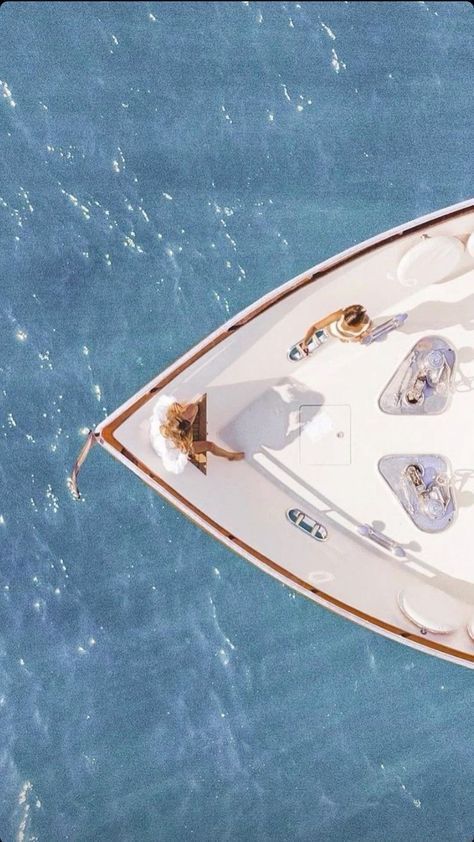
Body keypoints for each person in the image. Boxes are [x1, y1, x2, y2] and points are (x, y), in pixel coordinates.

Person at [150, 395, 244, 474]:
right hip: (179, 448)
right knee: (209, 446)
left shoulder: (161, 420)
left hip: (175, 430)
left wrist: (174, 406)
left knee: (194, 407)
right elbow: (175, 468)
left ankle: (185, 424)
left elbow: (163, 400)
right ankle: (231, 456)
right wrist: (183, 453)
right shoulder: (168, 450)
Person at [301, 304, 373, 353]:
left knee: (354, 339)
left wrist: (358, 338)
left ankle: (343, 338)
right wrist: (305, 342)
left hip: (348, 336)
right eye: (345, 321)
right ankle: (342, 338)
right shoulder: (340, 314)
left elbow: (360, 337)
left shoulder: (367, 324)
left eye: (349, 325)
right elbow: (315, 327)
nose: (345, 325)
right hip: (333, 332)